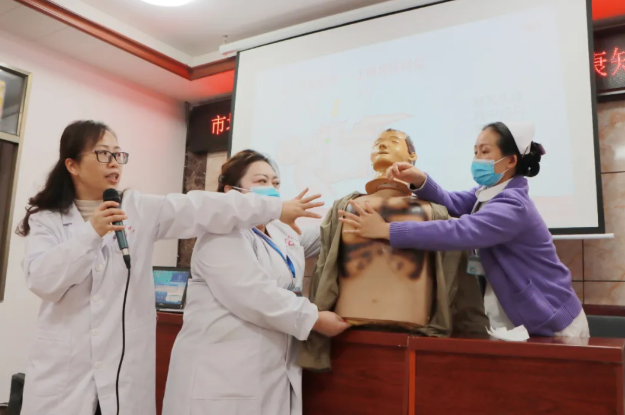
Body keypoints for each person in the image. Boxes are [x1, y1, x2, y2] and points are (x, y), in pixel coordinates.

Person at [17, 121, 323, 415]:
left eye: (118, 154)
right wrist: (91, 233)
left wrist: (274, 208)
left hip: (122, 375)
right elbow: (42, 280)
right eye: (103, 153)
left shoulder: (137, 208)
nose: (114, 162)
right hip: (66, 375)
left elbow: (203, 207)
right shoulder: (48, 220)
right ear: (72, 165)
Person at [338, 121, 589, 337]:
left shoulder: (513, 205)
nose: (477, 159)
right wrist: (420, 180)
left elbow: (459, 231)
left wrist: (387, 230)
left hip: (551, 321)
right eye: (475, 151)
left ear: (511, 161)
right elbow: (453, 202)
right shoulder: (488, 193)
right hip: (518, 317)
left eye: (485, 152)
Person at [163, 150, 351, 415]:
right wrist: (314, 319)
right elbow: (254, 295)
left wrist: (353, 209)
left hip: (266, 373)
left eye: (276, 183)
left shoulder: (280, 231)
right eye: (261, 181)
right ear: (231, 192)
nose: (272, 189)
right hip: (219, 377)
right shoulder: (221, 234)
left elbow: (324, 237)